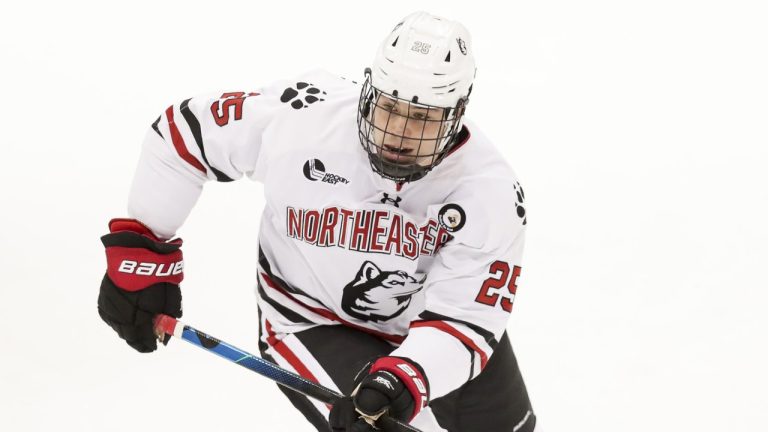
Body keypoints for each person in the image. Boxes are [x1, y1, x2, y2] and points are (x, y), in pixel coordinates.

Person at [98, 11, 536, 432]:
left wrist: (406, 378)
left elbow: (463, 320)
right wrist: (142, 251)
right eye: (388, 108)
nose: (399, 133)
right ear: (368, 91)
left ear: (457, 114)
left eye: (422, 118)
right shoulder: (303, 117)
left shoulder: (489, 193)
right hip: (309, 318)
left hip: (434, 324)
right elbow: (182, 135)